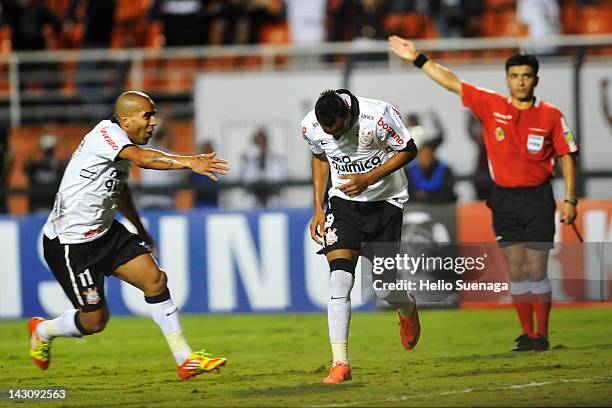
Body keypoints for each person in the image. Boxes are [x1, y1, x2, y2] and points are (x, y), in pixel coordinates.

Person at [389, 36, 578, 352]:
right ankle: (526, 334)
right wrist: (418, 58)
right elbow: (453, 82)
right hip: (503, 198)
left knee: (536, 267)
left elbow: (567, 155)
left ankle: (541, 334)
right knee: (516, 268)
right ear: (507, 80)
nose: (520, 81)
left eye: (526, 76)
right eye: (515, 76)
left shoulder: (551, 115)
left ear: (536, 80)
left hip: (538, 197)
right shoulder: (493, 105)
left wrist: (570, 199)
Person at [28, 91, 229, 380]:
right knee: (95, 321)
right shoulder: (107, 136)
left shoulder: (122, 146)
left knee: (155, 279)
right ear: (125, 119)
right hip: (71, 243)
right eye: (147, 115)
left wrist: (139, 227)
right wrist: (190, 161)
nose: (154, 122)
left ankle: (185, 359)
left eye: (154, 114)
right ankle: (43, 330)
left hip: (106, 232)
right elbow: (145, 160)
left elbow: (119, 189)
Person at [301, 89, 420, 384]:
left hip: (385, 205)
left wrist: (368, 178)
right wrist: (318, 207)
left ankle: (407, 307)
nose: (337, 139)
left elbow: (409, 150)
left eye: (340, 131)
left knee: (385, 289)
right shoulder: (311, 126)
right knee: (340, 279)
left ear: (348, 115)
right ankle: (340, 362)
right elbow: (319, 158)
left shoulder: (378, 116)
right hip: (342, 205)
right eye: (331, 134)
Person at [241, 128, 287, 207]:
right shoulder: (249, 157)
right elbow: (245, 176)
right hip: (254, 195)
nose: (261, 143)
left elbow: (281, 175)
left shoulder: (276, 156)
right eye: (258, 141)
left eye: (263, 140)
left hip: (272, 194)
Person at [23, 134, 66, 213]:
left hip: (53, 208)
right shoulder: (36, 166)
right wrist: (37, 146)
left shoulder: (58, 166)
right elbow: (26, 165)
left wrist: (60, 144)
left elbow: (67, 165)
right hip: (35, 206)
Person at [405, 138, 456, 203]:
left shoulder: (445, 170)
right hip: (416, 207)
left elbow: (448, 193)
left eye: (428, 155)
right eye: (422, 154)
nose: (425, 158)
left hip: (440, 206)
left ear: (433, 155)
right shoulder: (409, 171)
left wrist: (427, 196)